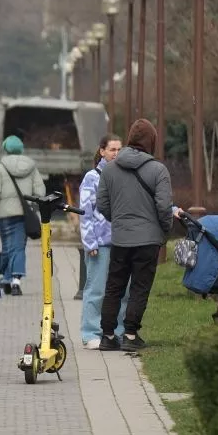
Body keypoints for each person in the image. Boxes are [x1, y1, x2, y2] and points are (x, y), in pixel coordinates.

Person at [97, 119, 173, 351]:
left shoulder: (109, 169)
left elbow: (101, 204)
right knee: (140, 287)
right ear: (151, 141)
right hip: (148, 240)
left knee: (114, 287)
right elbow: (164, 206)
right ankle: (130, 335)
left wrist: (118, 221)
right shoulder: (158, 170)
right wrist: (164, 229)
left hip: (120, 238)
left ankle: (107, 336)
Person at [79, 135, 128, 348]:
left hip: (122, 242)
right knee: (96, 289)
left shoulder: (125, 175)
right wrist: (90, 242)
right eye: (112, 149)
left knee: (122, 291)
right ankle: (90, 333)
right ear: (102, 151)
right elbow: (85, 212)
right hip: (100, 244)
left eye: (119, 149)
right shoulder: (92, 177)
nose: (116, 153)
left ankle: (117, 330)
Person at [0, 135, 46, 295]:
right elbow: (40, 191)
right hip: (24, 214)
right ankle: (14, 281)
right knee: (19, 246)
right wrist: (33, 205)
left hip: (4, 213)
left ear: (6, 149)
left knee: (7, 246)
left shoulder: (0, 168)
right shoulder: (31, 167)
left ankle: (7, 279)